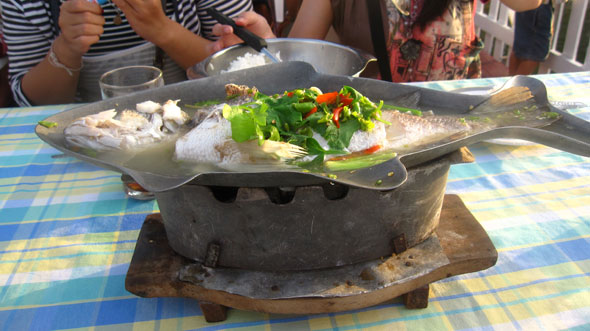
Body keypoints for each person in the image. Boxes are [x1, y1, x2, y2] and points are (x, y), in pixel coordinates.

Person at [213, 0, 542, 82]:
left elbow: (530, 3)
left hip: (461, 125)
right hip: (379, 134)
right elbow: (296, 60)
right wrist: (265, 42)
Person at [0, 0, 253, 107]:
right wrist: (66, 48)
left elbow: (250, 71)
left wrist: (163, 30)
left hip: (199, 123)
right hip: (87, 139)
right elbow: (31, 103)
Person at [509, 0, 562, 75]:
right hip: (539, 7)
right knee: (536, 52)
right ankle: (516, 84)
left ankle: (509, 80)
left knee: (520, 46)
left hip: (523, 4)